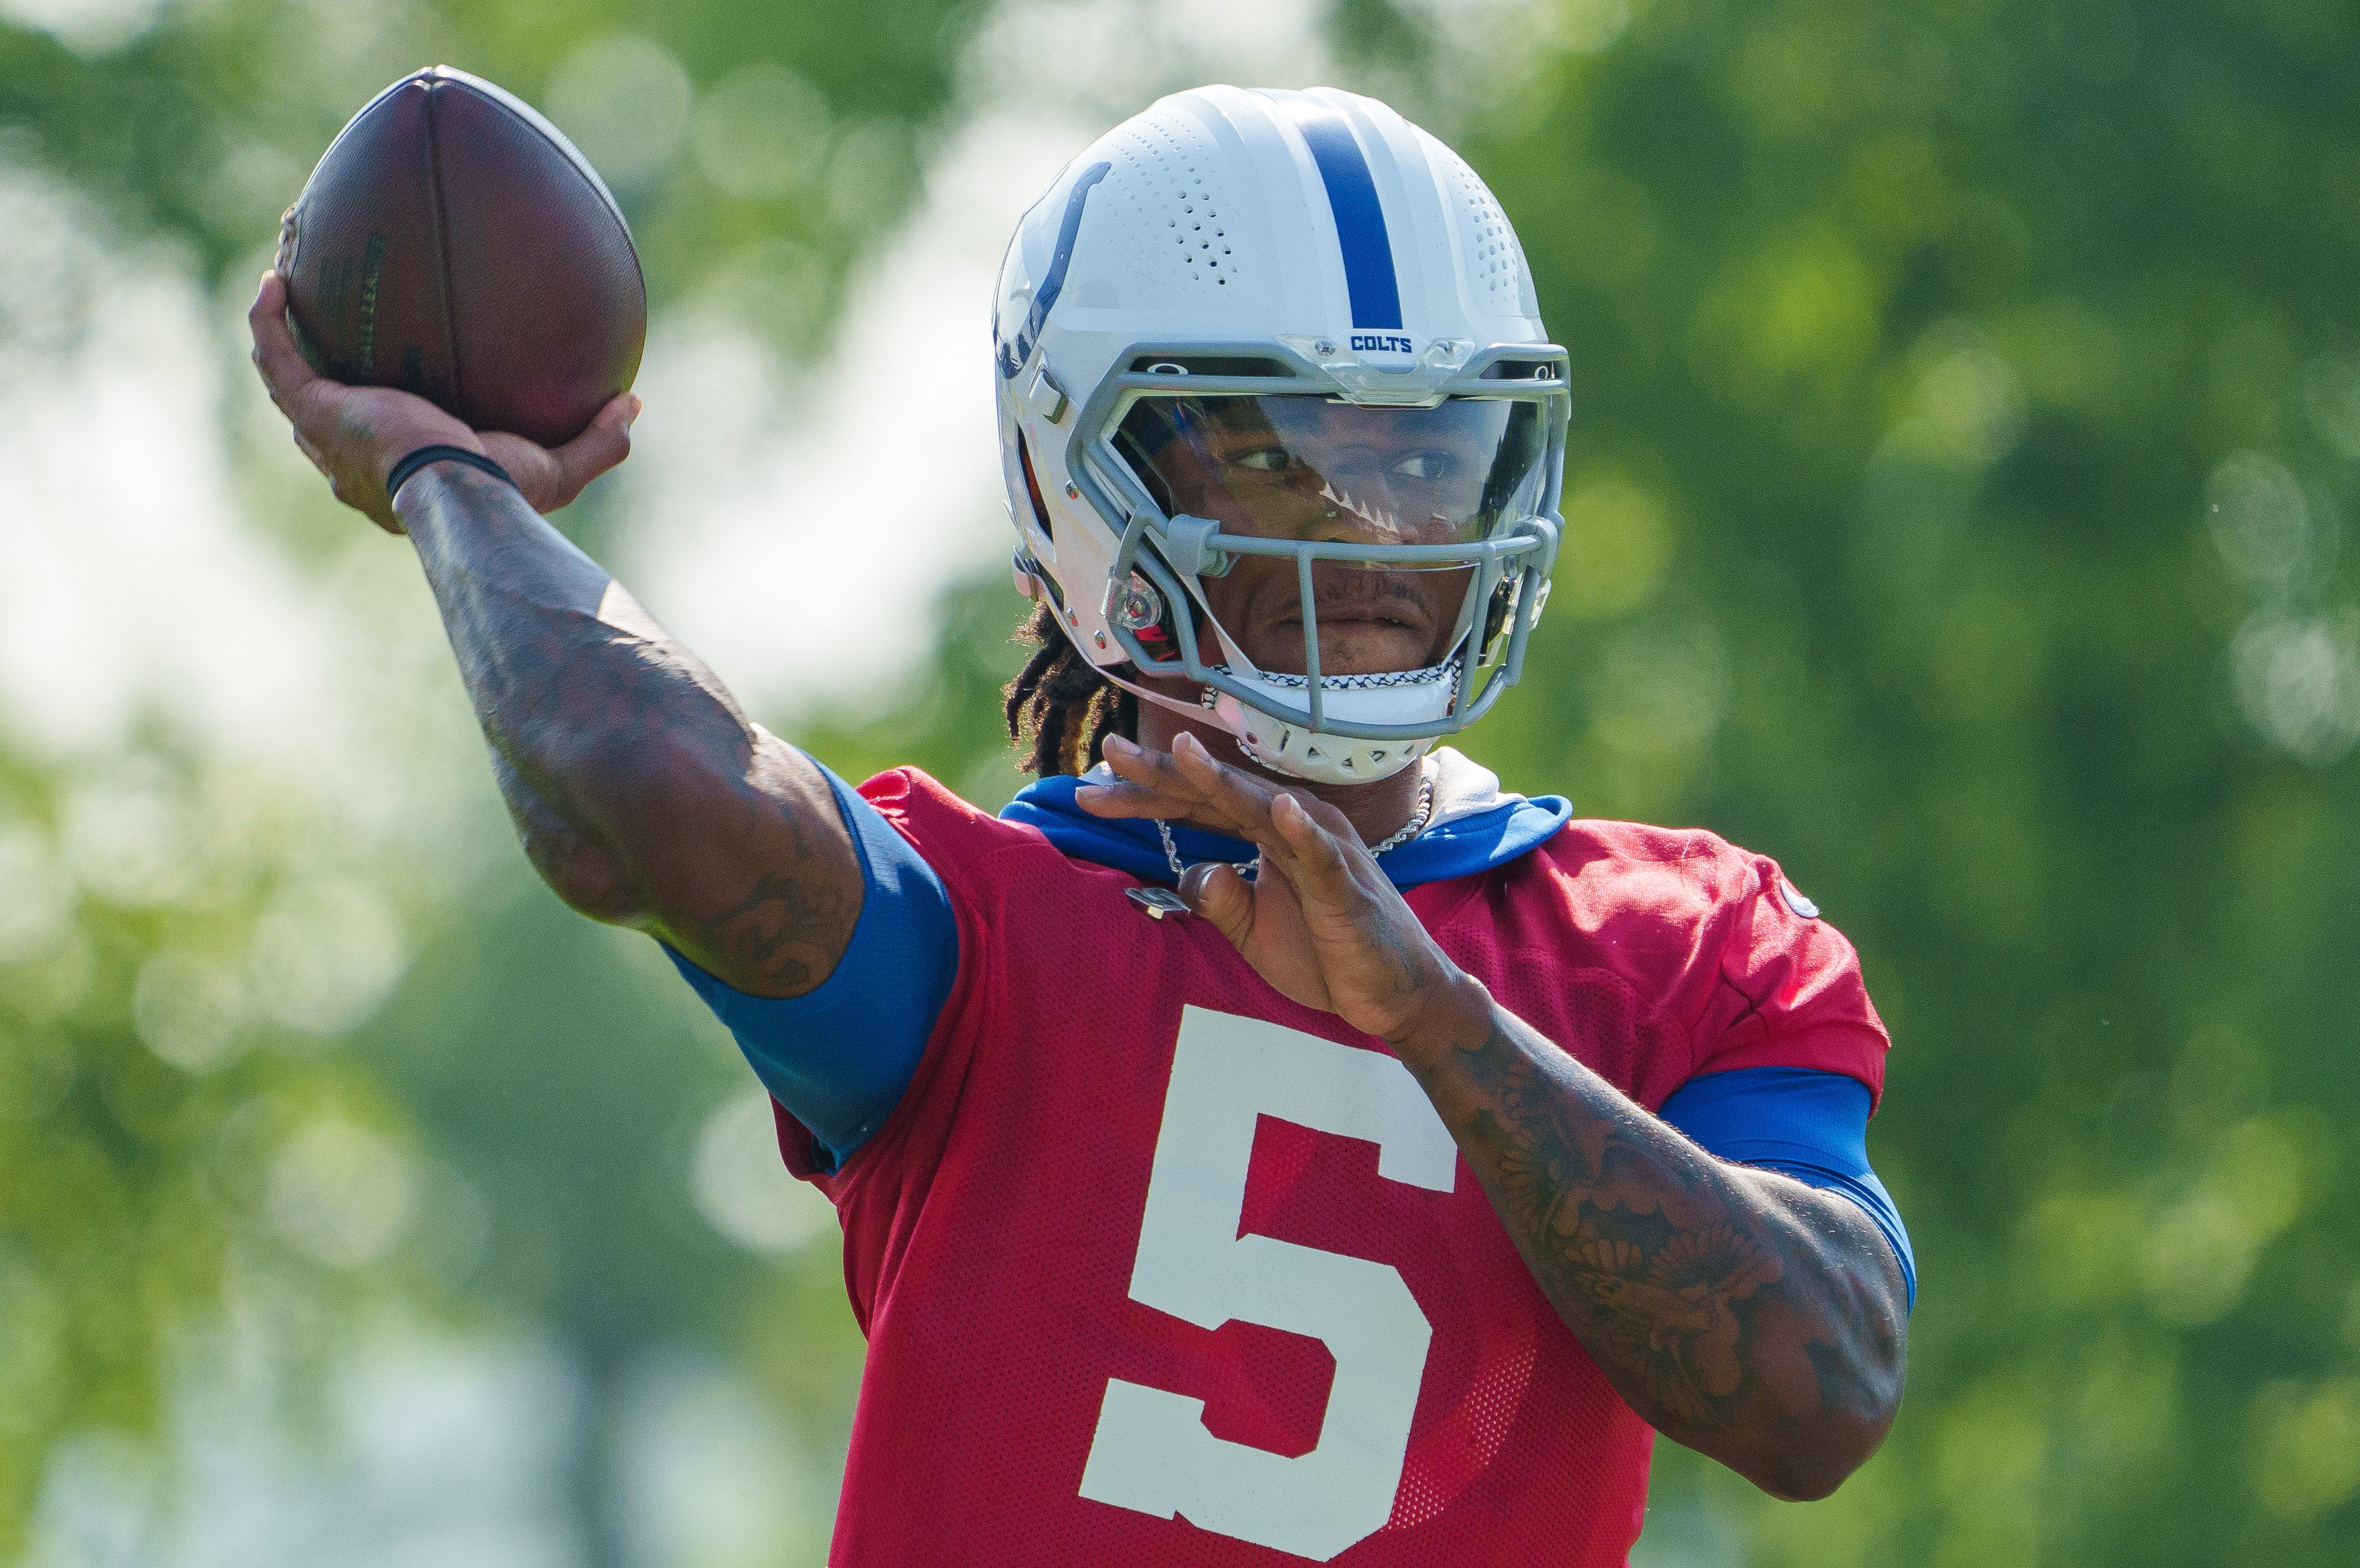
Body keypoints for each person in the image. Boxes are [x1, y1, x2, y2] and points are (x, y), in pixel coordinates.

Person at [251, 83, 1911, 1568]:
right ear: (1081, 479)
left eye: (1427, 452)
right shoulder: (967, 939)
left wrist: (1431, 1016)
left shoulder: (1685, 944)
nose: (1376, 529)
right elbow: (618, 781)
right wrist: (447, 484)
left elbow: (1821, 1397)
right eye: (1280, 457)